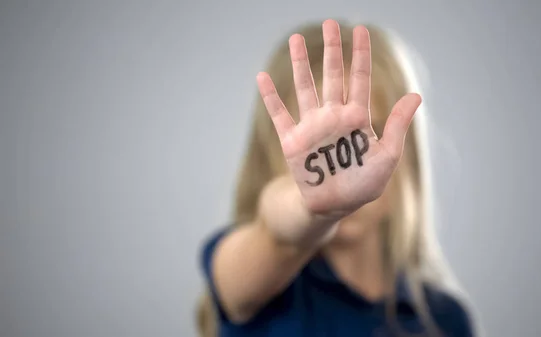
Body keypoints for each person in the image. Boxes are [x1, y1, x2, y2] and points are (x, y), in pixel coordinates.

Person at [196, 18, 477, 337]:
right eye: (317, 142)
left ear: (411, 158)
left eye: (367, 137)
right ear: (270, 157)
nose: (343, 164)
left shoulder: (446, 320)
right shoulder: (255, 280)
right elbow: (277, 230)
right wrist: (313, 207)